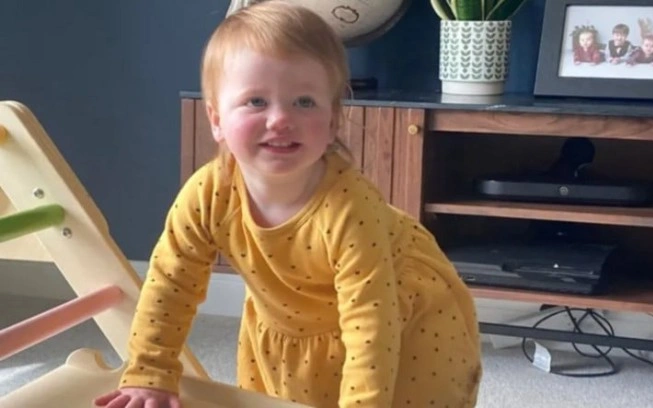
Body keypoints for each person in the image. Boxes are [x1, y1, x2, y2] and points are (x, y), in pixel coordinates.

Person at [93, 1, 482, 407]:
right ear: (216, 120)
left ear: (333, 122)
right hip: (289, 317)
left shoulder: (350, 209)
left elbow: (371, 328)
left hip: (394, 316)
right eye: (256, 102)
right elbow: (170, 284)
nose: (280, 119)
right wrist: (150, 370)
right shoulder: (207, 194)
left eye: (304, 102)